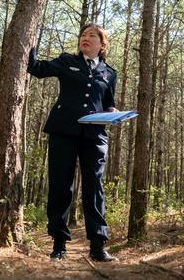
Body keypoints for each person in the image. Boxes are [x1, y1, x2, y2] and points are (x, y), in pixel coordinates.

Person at [27, 23, 118, 262]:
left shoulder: (110, 73)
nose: (85, 38)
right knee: (60, 186)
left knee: (94, 187)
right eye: (83, 35)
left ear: (102, 44)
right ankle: (58, 245)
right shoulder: (67, 61)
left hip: (95, 136)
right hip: (63, 131)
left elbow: (108, 102)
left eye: (91, 36)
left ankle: (98, 246)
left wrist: (113, 111)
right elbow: (36, 68)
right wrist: (31, 43)